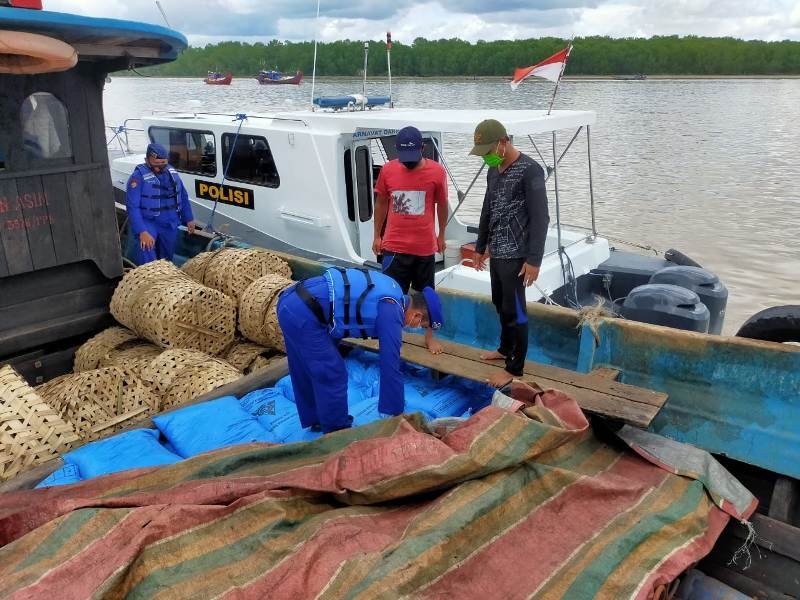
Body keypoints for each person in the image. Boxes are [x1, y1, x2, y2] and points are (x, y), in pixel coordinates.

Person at [276, 267, 444, 434]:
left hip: (291, 300)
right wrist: (397, 415)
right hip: (304, 312)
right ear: (416, 316)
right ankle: (337, 433)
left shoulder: (394, 290)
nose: (416, 328)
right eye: (421, 326)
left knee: (304, 367)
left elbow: (341, 307)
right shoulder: (392, 311)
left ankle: (316, 420)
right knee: (332, 372)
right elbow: (390, 364)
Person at [469, 119, 550, 388]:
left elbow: (541, 218)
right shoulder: (493, 169)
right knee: (499, 303)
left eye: (488, 151)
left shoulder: (531, 171)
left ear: (503, 143)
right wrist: (480, 247)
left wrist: (534, 260)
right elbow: (487, 209)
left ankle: (515, 368)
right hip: (498, 253)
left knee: (516, 311)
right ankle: (504, 349)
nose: (486, 157)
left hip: (518, 256)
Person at [373, 126, 448, 355]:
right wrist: (377, 235)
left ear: (422, 149)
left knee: (427, 295)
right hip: (394, 247)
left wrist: (441, 234)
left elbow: (442, 205)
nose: (408, 162)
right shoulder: (388, 170)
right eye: (404, 158)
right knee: (390, 295)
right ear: (397, 150)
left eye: (412, 157)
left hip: (424, 247)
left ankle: (429, 336)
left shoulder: (437, 172)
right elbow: (382, 203)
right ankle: (391, 334)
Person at [126, 142, 195, 265]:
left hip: (170, 222)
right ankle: (150, 278)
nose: (159, 169)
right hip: (148, 222)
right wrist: (142, 231)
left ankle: (164, 278)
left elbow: (182, 195)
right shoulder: (137, 177)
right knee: (146, 249)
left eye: (163, 164)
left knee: (167, 258)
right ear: (146, 160)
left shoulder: (172, 173)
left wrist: (189, 218)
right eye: (156, 165)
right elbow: (132, 207)